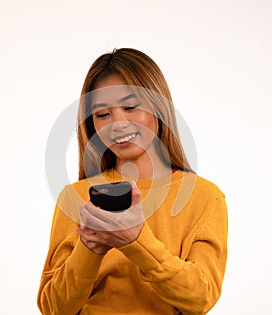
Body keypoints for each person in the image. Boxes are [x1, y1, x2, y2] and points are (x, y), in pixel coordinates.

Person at [37, 48, 228, 315]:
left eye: (130, 107)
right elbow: (53, 308)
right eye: (103, 115)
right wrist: (89, 248)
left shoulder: (204, 197)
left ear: (158, 108)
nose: (118, 124)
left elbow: (200, 299)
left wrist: (137, 240)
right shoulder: (75, 197)